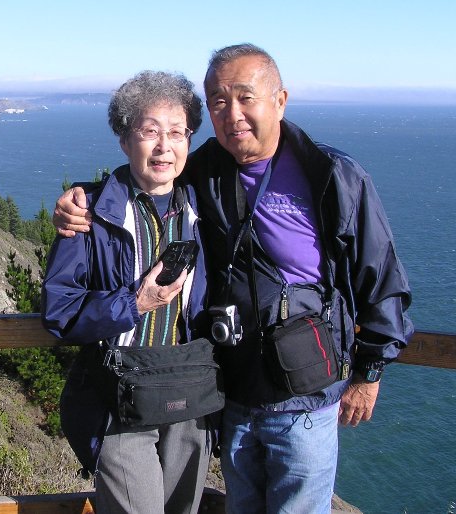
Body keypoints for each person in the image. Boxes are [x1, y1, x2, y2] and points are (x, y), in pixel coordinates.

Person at [52, 44, 413, 514]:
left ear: (280, 100)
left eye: (246, 97)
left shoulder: (330, 175)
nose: (233, 114)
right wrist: (80, 201)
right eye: (219, 101)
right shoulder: (204, 172)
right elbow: (144, 181)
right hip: (230, 396)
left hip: (304, 397)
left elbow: (379, 275)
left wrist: (369, 372)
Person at [41, 70, 223, 514]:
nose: (165, 146)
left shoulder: (207, 207)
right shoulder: (90, 216)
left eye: (177, 132)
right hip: (117, 398)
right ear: (125, 140)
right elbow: (59, 313)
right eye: (149, 131)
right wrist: (136, 302)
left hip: (189, 395)